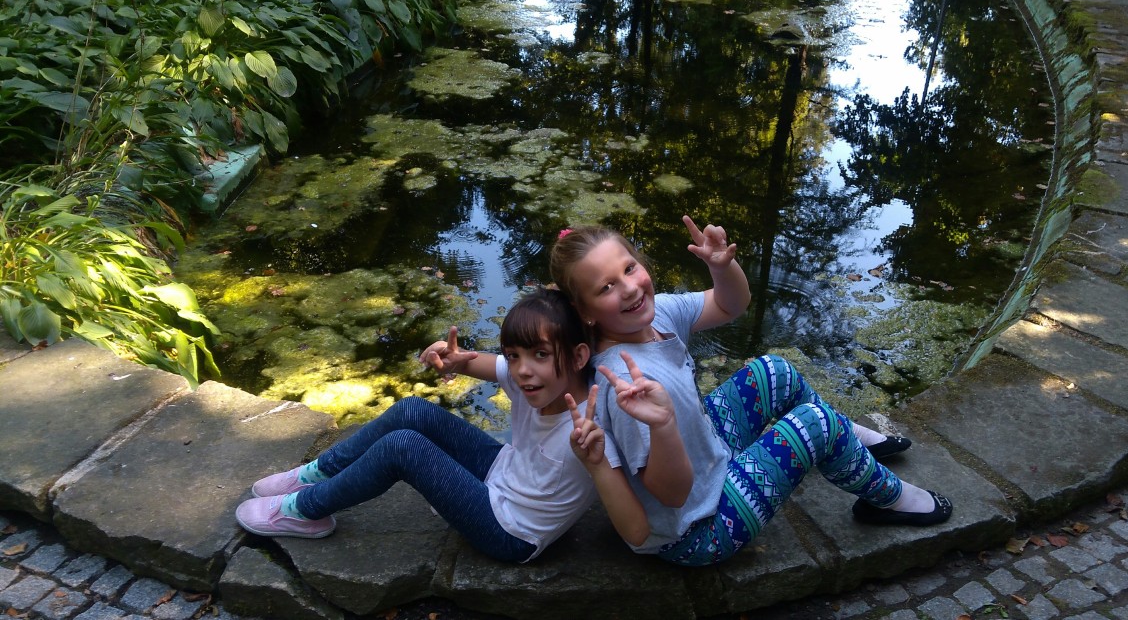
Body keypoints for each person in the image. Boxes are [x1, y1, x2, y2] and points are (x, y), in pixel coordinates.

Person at [548, 219, 952, 566]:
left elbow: (729, 306)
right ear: (584, 312)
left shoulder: (654, 316)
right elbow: (672, 495)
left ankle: (847, 436)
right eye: (606, 287)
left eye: (629, 268)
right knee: (815, 424)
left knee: (773, 371)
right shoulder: (624, 386)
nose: (630, 288)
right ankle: (888, 499)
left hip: (709, 454)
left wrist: (721, 267)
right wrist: (664, 423)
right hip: (698, 526)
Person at [235, 288, 602, 563]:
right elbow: (477, 362)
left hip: (510, 531)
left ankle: (305, 511)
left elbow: (628, 484)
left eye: (540, 354)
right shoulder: (537, 375)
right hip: (504, 472)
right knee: (413, 410)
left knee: (403, 447)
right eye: (513, 356)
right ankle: (317, 473)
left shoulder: (591, 428)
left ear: (578, 357)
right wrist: (454, 360)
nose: (522, 370)